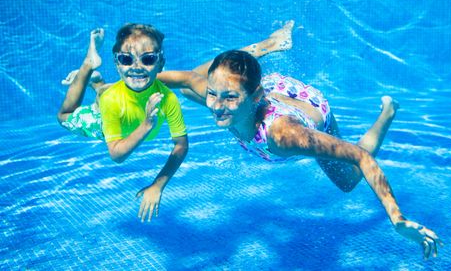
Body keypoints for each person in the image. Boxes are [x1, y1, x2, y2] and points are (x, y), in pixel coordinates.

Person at [157, 21, 442, 259]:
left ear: (254, 98)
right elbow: (187, 79)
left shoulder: (285, 136)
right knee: (187, 85)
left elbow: (360, 157)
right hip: (266, 91)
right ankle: (267, 45)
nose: (217, 106)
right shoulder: (221, 100)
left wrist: (397, 218)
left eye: (229, 98)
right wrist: (116, 87)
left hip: (308, 107)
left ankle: (387, 113)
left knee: (347, 181)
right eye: (212, 94)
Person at [57, 23, 294, 222]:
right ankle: (89, 67)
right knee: (65, 117)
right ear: (118, 62)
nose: (137, 67)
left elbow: (181, 145)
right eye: (126, 59)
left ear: (160, 62)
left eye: (148, 59)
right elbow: (117, 154)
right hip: (106, 118)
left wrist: (158, 184)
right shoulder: (131, 98)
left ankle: (97, 83)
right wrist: (146, 125)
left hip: (124, 101)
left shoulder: (166, 97)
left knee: (187, 82)